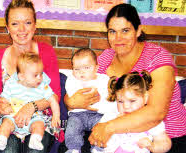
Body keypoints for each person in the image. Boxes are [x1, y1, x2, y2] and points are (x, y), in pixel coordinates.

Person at [64, 3, 186, 153]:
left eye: (125, 30)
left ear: (138, 30)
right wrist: (69, 101)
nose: (118, 38)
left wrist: (108, 127)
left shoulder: (157, 58)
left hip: (163, 139)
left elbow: (156, 113)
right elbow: (80, 86)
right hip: (118, 137)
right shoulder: (105, 58)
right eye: (112, 31)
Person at [0, 0, 62, 152]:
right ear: (7, 28)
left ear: (35, 25)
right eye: (15, 24)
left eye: (28, 22)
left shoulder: (47, 52)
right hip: (8, 120)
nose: (22, 29)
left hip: (40, 120)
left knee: (35, 150)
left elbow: (55, 95)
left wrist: (32, 106)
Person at [0, 53, 60, 151]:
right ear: (22, 76)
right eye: (36, 75)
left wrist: (56, 116)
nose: (40, 78)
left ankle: (35, 140)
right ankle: (2, 140)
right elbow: (4, 99)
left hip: (34, 116)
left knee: (39, 125)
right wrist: (5, 107)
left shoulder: (43, 87)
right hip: (13, 116)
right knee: (5, 124)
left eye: (41, 74)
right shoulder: (11, 85)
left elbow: (53, 100)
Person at [91, 71, 171, 153]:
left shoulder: (149, 120)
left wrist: (151, 146)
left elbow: (165, 143)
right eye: (120, 101)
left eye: (132, 101)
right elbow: (97, 141)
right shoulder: (110, 116)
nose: (126, 106)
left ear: (145, 97)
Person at [65, 48, 116, 153]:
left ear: (96, 68)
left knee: (103, 127)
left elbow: (109, 98)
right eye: (76, 69)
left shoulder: (104, 80)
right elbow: (70, 94)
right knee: (71, 127)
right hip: (77, 115)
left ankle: (98, 148)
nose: (81, 72)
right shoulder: (72, 80)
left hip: (97, 114)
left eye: (86, 68)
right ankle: (74, 148)